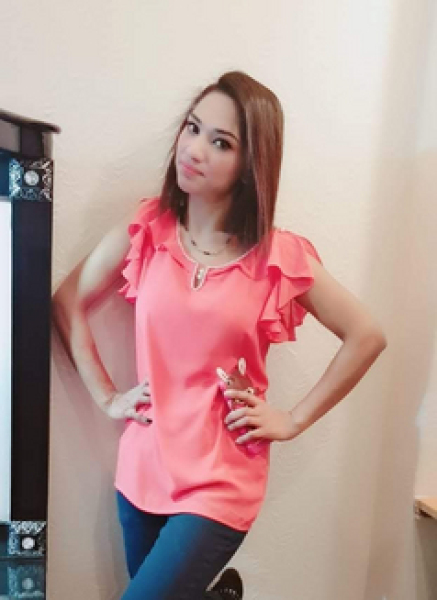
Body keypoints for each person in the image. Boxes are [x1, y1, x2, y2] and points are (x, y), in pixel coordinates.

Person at [52, 71, 387, 600]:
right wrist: (107, 396)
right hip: (143, 469)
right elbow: (67, 301)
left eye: (221, 142)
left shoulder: (278, 255)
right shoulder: (148, 228)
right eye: (192, 128)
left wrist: (293, 419)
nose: (194, 149)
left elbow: (367, 335)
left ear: (250, 165)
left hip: (220, 481)